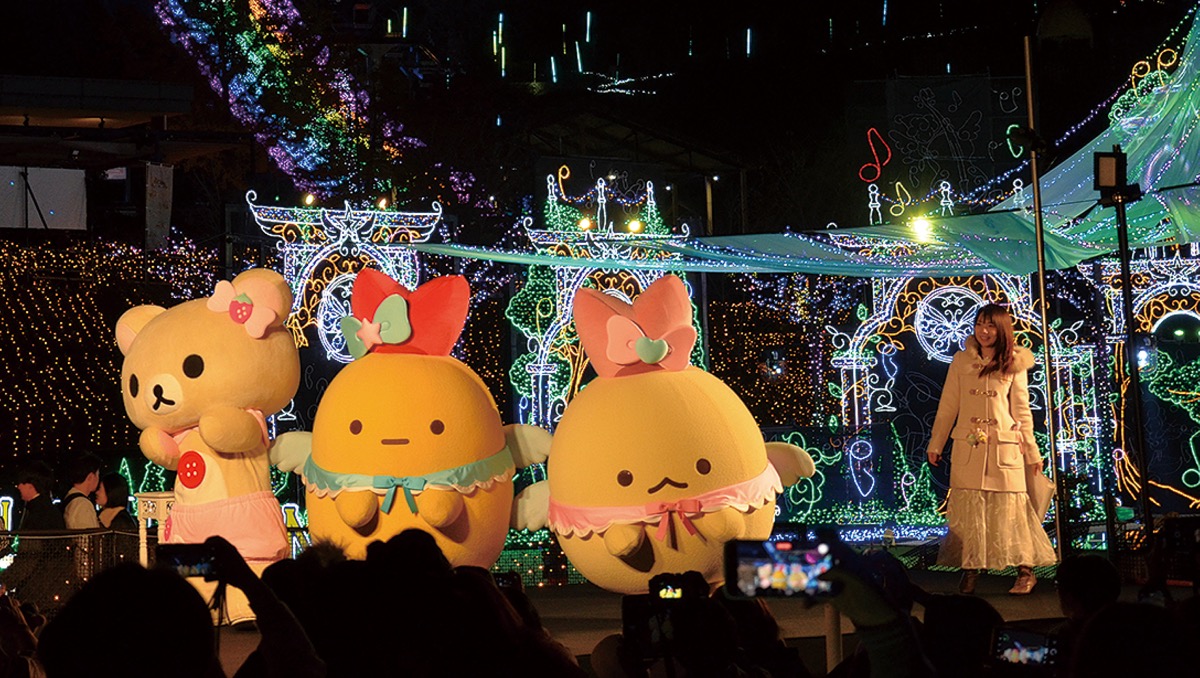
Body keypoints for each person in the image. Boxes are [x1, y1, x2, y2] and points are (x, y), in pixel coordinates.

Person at [926, 303, 1056, 595]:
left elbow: (1022, 411)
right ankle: (971, 571)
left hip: (1004, 448)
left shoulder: (1014, 362)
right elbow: (948, 405)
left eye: (990, 326)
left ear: (1001, 329)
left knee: (1013, 514)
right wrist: (937, 442)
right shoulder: (961, 361)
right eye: (979, 324)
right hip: (969, 447)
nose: (983, 331)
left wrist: (1033, 453)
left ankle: (1025, 571)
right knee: (971, 514)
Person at [14, 461, 64, 531]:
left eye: (22, 483)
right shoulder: (44, 508)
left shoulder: (41, 513)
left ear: (31, 486)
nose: (19, 487)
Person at [60, 453, 101, 530]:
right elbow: (88, 535)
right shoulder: (82, 504)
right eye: (97, 474)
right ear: (90, 477)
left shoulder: (70, 497)